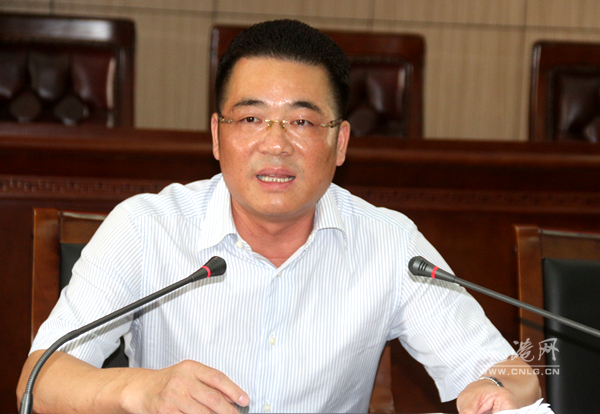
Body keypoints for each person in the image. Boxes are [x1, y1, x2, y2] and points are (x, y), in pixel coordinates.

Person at [17, 19, 540, 414]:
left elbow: (515, 375)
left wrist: (494, 392)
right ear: (217, 136)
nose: (275, 144)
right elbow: (38, 381)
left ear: (340, 143)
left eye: (302, 122)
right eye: (251, 118)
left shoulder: (390, 244)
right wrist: (143, 389)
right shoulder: (146, 228)